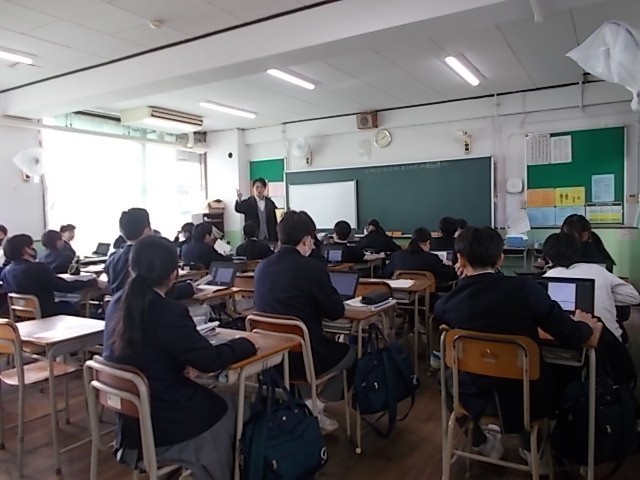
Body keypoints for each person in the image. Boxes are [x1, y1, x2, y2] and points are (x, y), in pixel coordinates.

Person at [103, 235, 263, 479]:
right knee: (233, 405)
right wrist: (247, 342)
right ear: (173, 274)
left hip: (131, 423)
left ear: (131, 268)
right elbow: (209, 360)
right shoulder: (168, 313)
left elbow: (150, 350)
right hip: (165, 423)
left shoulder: (117, 304)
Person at [434, 227, 597, 464]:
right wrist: (586, 326)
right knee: (555, 372)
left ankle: (482, 444)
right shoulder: (526, 289)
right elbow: (571, 335)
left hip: (471, 395)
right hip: (527, 398)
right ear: (500, 258)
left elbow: (452, 314)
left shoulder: (448, 303)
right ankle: (533, 449)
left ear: (460, 259)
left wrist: (462, 282)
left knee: (444, 378)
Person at [254, 210, 356, 434]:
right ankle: (316, 405)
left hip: (270, 358)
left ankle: (305, 405)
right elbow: (335, 312)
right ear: (307, 239)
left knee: (307, 345)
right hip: (304, 357)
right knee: (351, 353)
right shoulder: (311, 268)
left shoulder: (262, 267)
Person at [543, 232, 639, 342]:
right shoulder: (597, 270)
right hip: (608, 341)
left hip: (561, 343)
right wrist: (604, 294)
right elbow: (634, 297)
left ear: (548, 258)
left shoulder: (546, 278)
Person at [1, 234, 103, 316]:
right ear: (25, 249)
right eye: (31, 246)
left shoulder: (6, 272)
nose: (34, 248)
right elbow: (63, 287)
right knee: (73, 306)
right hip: (47, 312)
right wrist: (92, 282)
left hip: (23, 314)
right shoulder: (38, 268)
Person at [105, 208, 194, 300]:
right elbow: (160, 291)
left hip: (118, 306)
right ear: (147, 231)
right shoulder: (149, 257)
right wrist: (189, 287)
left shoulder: (112, 258)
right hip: (150, 307)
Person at [383, 228, 457, 291]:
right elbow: (450, 275)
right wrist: (450, 266)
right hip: (427, 298)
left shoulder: (397, 256)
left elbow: (386, 273)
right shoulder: (431, 258)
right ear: (428, 243)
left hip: (401, 297)